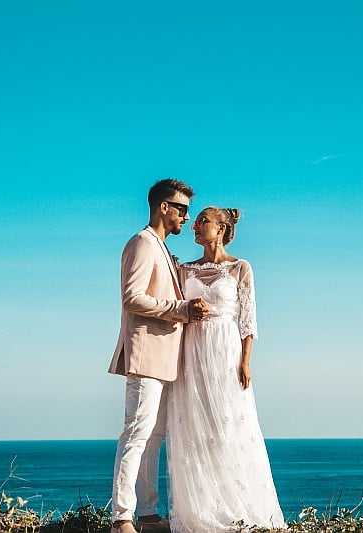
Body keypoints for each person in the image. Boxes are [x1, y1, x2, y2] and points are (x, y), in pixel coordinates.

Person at [166, 207, 286, 533]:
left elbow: (248, 320)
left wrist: (246, 362)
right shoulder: (184, 270)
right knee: (194, 427)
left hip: (225, 349)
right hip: (191, 351)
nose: (195, 225)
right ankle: (201, 510)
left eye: (202, 221)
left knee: (227, 426)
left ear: (220, 228)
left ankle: (239, 507)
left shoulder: (240, 268)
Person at [108, 179, 210, 533]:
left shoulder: (164, 250)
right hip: (147, 354)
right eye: (181, 208)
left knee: (154, 438)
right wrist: (180, 309)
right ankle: (121, 517)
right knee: (136, 434)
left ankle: (148, 514)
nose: (187, 216)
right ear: (163, 207)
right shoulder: (142, 243)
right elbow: (132, 297)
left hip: (167, 359)